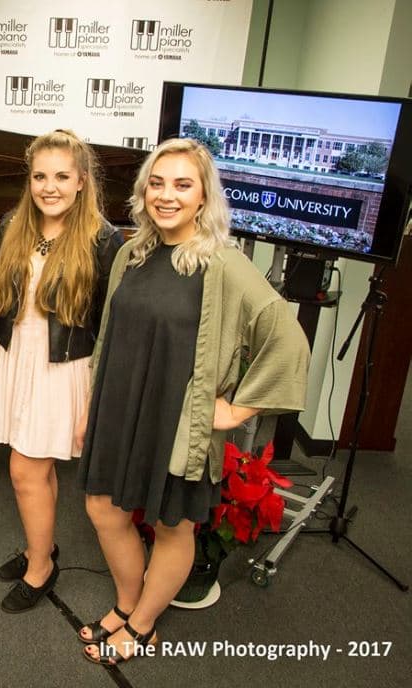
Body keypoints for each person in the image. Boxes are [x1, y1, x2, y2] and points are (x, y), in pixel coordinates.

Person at [78, 138, 310, 663]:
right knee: (102, 508)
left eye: (183, 184)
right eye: (157, 183)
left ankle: (140, 626)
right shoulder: (131, 253)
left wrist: (237, 409)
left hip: (177, 418)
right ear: (143, 191)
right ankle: (125, 604)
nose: (167, 196)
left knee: (172, 524)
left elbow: (286, 336)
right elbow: (109, 336)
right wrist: (94, 403)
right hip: (121, 406)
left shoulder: (223, 264)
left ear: (204, 196)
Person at [0, 129, 122, 613]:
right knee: (39, 468)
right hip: (15, 357)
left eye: (62, 176)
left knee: (26, 470)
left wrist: (99, 398)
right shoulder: (16, 220)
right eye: (40, 176)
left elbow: (109, 328)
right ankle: (42, 546)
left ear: (82, 180)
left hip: (64, 368)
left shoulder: (105, 239)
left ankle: (41, 568)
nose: (49, 186)